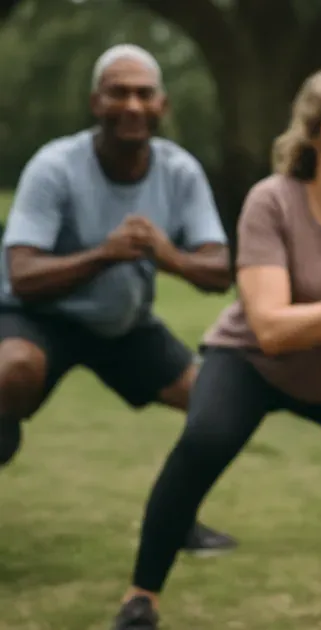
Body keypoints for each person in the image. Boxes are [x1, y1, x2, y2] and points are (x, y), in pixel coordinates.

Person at [109, 63, 321, 630]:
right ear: (314, 133)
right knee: (204, 438)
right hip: (252, 364)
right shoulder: (272, 200)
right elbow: (270, 327)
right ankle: (140, 599)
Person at [0, 44, 235, 555]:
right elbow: (22, 276)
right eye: (118, 93)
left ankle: (175, 520)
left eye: (144, 94)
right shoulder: (55, 166)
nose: (132, 105)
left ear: (162, 105)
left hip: (124, 323)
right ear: (96, 102)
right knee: (11, 368)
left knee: (213, 404)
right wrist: (104, 254)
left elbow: (219, 270)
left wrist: (169, 256)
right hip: (42, 317)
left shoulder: (179, 171)